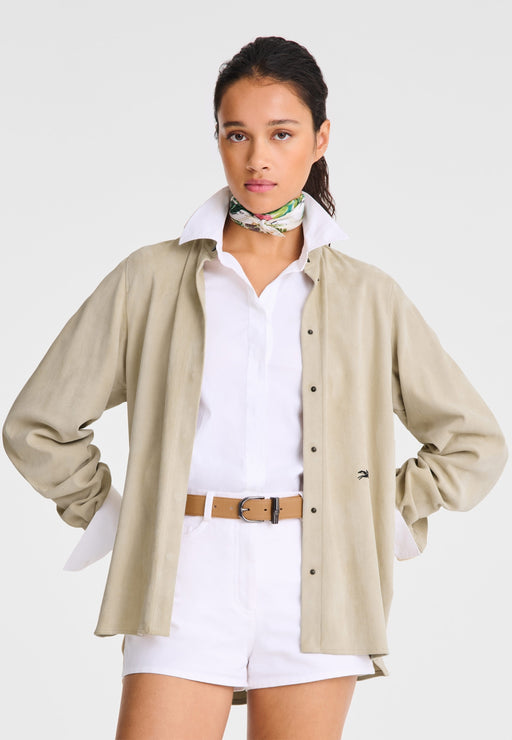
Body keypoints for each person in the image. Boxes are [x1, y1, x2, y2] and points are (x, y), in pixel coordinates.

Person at [2, 36, 507, 740]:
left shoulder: (369, 297)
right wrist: (115, 515)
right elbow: (38, 424)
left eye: (282, 133)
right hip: (183, 574)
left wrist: (374, 513)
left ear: (320, 139)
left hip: (320, 584)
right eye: (236, 134)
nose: (257, 158)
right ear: (218, 139)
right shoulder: (150, 279)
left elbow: (474, 441)